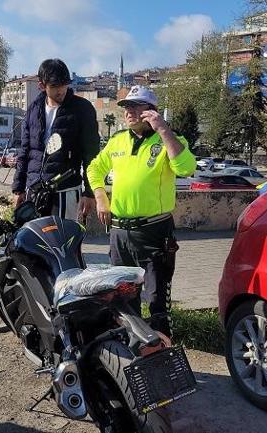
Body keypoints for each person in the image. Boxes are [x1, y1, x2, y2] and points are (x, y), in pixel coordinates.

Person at [86, 85, 196, 338]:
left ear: (152, 111)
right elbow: (94, 169)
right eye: (126, 106)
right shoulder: (117, 141)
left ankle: (162, 353)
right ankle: (132, 345)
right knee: (122, 296)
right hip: (120, 233)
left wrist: (163, 129)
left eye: (136, 106)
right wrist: (101, 197)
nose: (129, 111)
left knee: (157, 300)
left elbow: (186, 168)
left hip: (154, 232)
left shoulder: (169, 140)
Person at [12, 58, 99, 220]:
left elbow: (92, 155)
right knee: (34, 242)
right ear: (41, 86)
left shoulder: (82, 109)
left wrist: (90, 192)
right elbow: (25, 151)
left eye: (64, 84)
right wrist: (18, 189)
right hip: (34, 189)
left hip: (65, 190)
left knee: (63, 242)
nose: (61, 90)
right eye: (54, 86)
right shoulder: (33, 109)